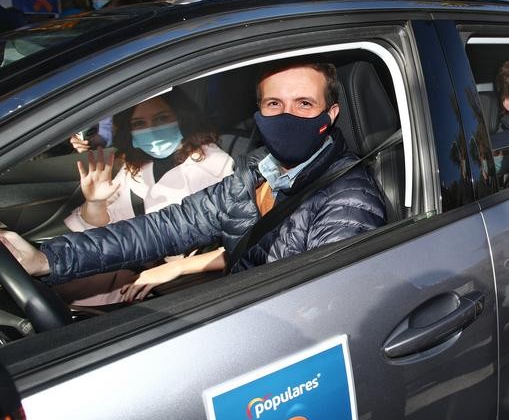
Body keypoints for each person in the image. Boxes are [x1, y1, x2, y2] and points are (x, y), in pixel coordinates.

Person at [0, 61, 387, 302]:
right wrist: (47, 258)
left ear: (331, 114)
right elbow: (162, 229)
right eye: (274, 104)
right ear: (259, 112)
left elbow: (329, 306)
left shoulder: (348, 200)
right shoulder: (252, 175)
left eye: (304, 104)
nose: (286, 114)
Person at [54, 88, 234, 304]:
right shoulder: (136, 163)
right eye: (139, 124)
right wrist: (96, 203)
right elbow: (108, 226)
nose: (151, 130)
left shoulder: (217, 167)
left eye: (161, 118)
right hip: (131, 262)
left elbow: (240, 245)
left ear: (182, 118)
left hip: (184, 283)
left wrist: (176, 267)